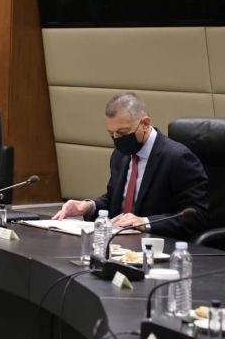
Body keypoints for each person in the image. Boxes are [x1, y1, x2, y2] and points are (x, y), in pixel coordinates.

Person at [52, 92, 209, 239]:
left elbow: (197, 215)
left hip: (158, 244)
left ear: (145, 124)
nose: (117, 139)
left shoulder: (177, 157)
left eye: (122, 133)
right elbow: (114, 199)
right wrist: (88, 206)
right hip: (119, 242)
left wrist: (144, 222)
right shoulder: (120, 155)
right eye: (111, 134)